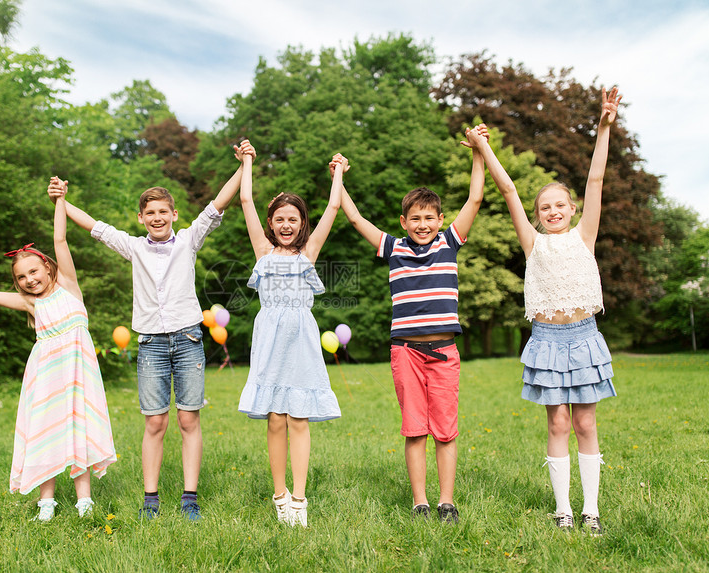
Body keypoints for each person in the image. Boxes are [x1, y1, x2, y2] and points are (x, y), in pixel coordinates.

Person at [47, 141, 253, 521]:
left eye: (163, 211)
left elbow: (219, 204)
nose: (157, 217)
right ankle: (151, 499)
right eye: (150, 213)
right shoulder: (133, 247)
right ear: (140, 218)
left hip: (189, 340)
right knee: (155, 421)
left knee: (188, 419)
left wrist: (244, 165)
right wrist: (61, 199)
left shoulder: (189, 240)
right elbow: (94, 225)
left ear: (174, 213)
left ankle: (190, 498)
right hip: (151, 345)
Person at [467, 87, 621, 535]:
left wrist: (603, 126)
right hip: (547, 342)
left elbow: (595, 180)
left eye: (560, 205)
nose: (553, 211)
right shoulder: (533, 244)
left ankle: (591, 509)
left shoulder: (584, 236)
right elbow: (508, 188)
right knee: (557, 421)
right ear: (537, 216)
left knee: (586, 422)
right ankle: (563, 510)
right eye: (545, 207)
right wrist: (485, 148)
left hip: (585, 336)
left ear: (572, 210)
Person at [0, 188, 117, 522]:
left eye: (33, 271)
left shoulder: (69, 286)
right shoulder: (32, 303)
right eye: (21, 277)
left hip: (78, 374)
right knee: (46, 430)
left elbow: (60, 239)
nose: (29, 280)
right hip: (46, 375)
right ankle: (46, 503)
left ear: (46, 267)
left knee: (78, 427)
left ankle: (84, 500)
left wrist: (60, 200)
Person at [338, 126, 488, 523]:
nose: (422, 225)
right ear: (403, 221)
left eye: (429, 218)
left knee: (446, 429)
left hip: (444, 353)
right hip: (406, 352)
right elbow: (354, 218)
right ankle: (421, 502)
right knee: (414, 430)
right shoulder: (394, 247)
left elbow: (475, 197)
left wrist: (479, 151)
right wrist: (339, 176)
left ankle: (446, 502)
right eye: (415, 219)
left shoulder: (450, 242)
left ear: (440, 219)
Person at [236, 149, 346, 527]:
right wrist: (247, 162)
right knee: (276, 419)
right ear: (270, 223)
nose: (286, 224)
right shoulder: (263, 252)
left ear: (302, 224)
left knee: (299, 418)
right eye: (280, 219)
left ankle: (299, 498)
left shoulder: (308, 253)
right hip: (269, 342)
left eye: (293, 219)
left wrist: (338, 173)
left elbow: (333, 209)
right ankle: (279, 494)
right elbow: (246, 200)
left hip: (301, 342)